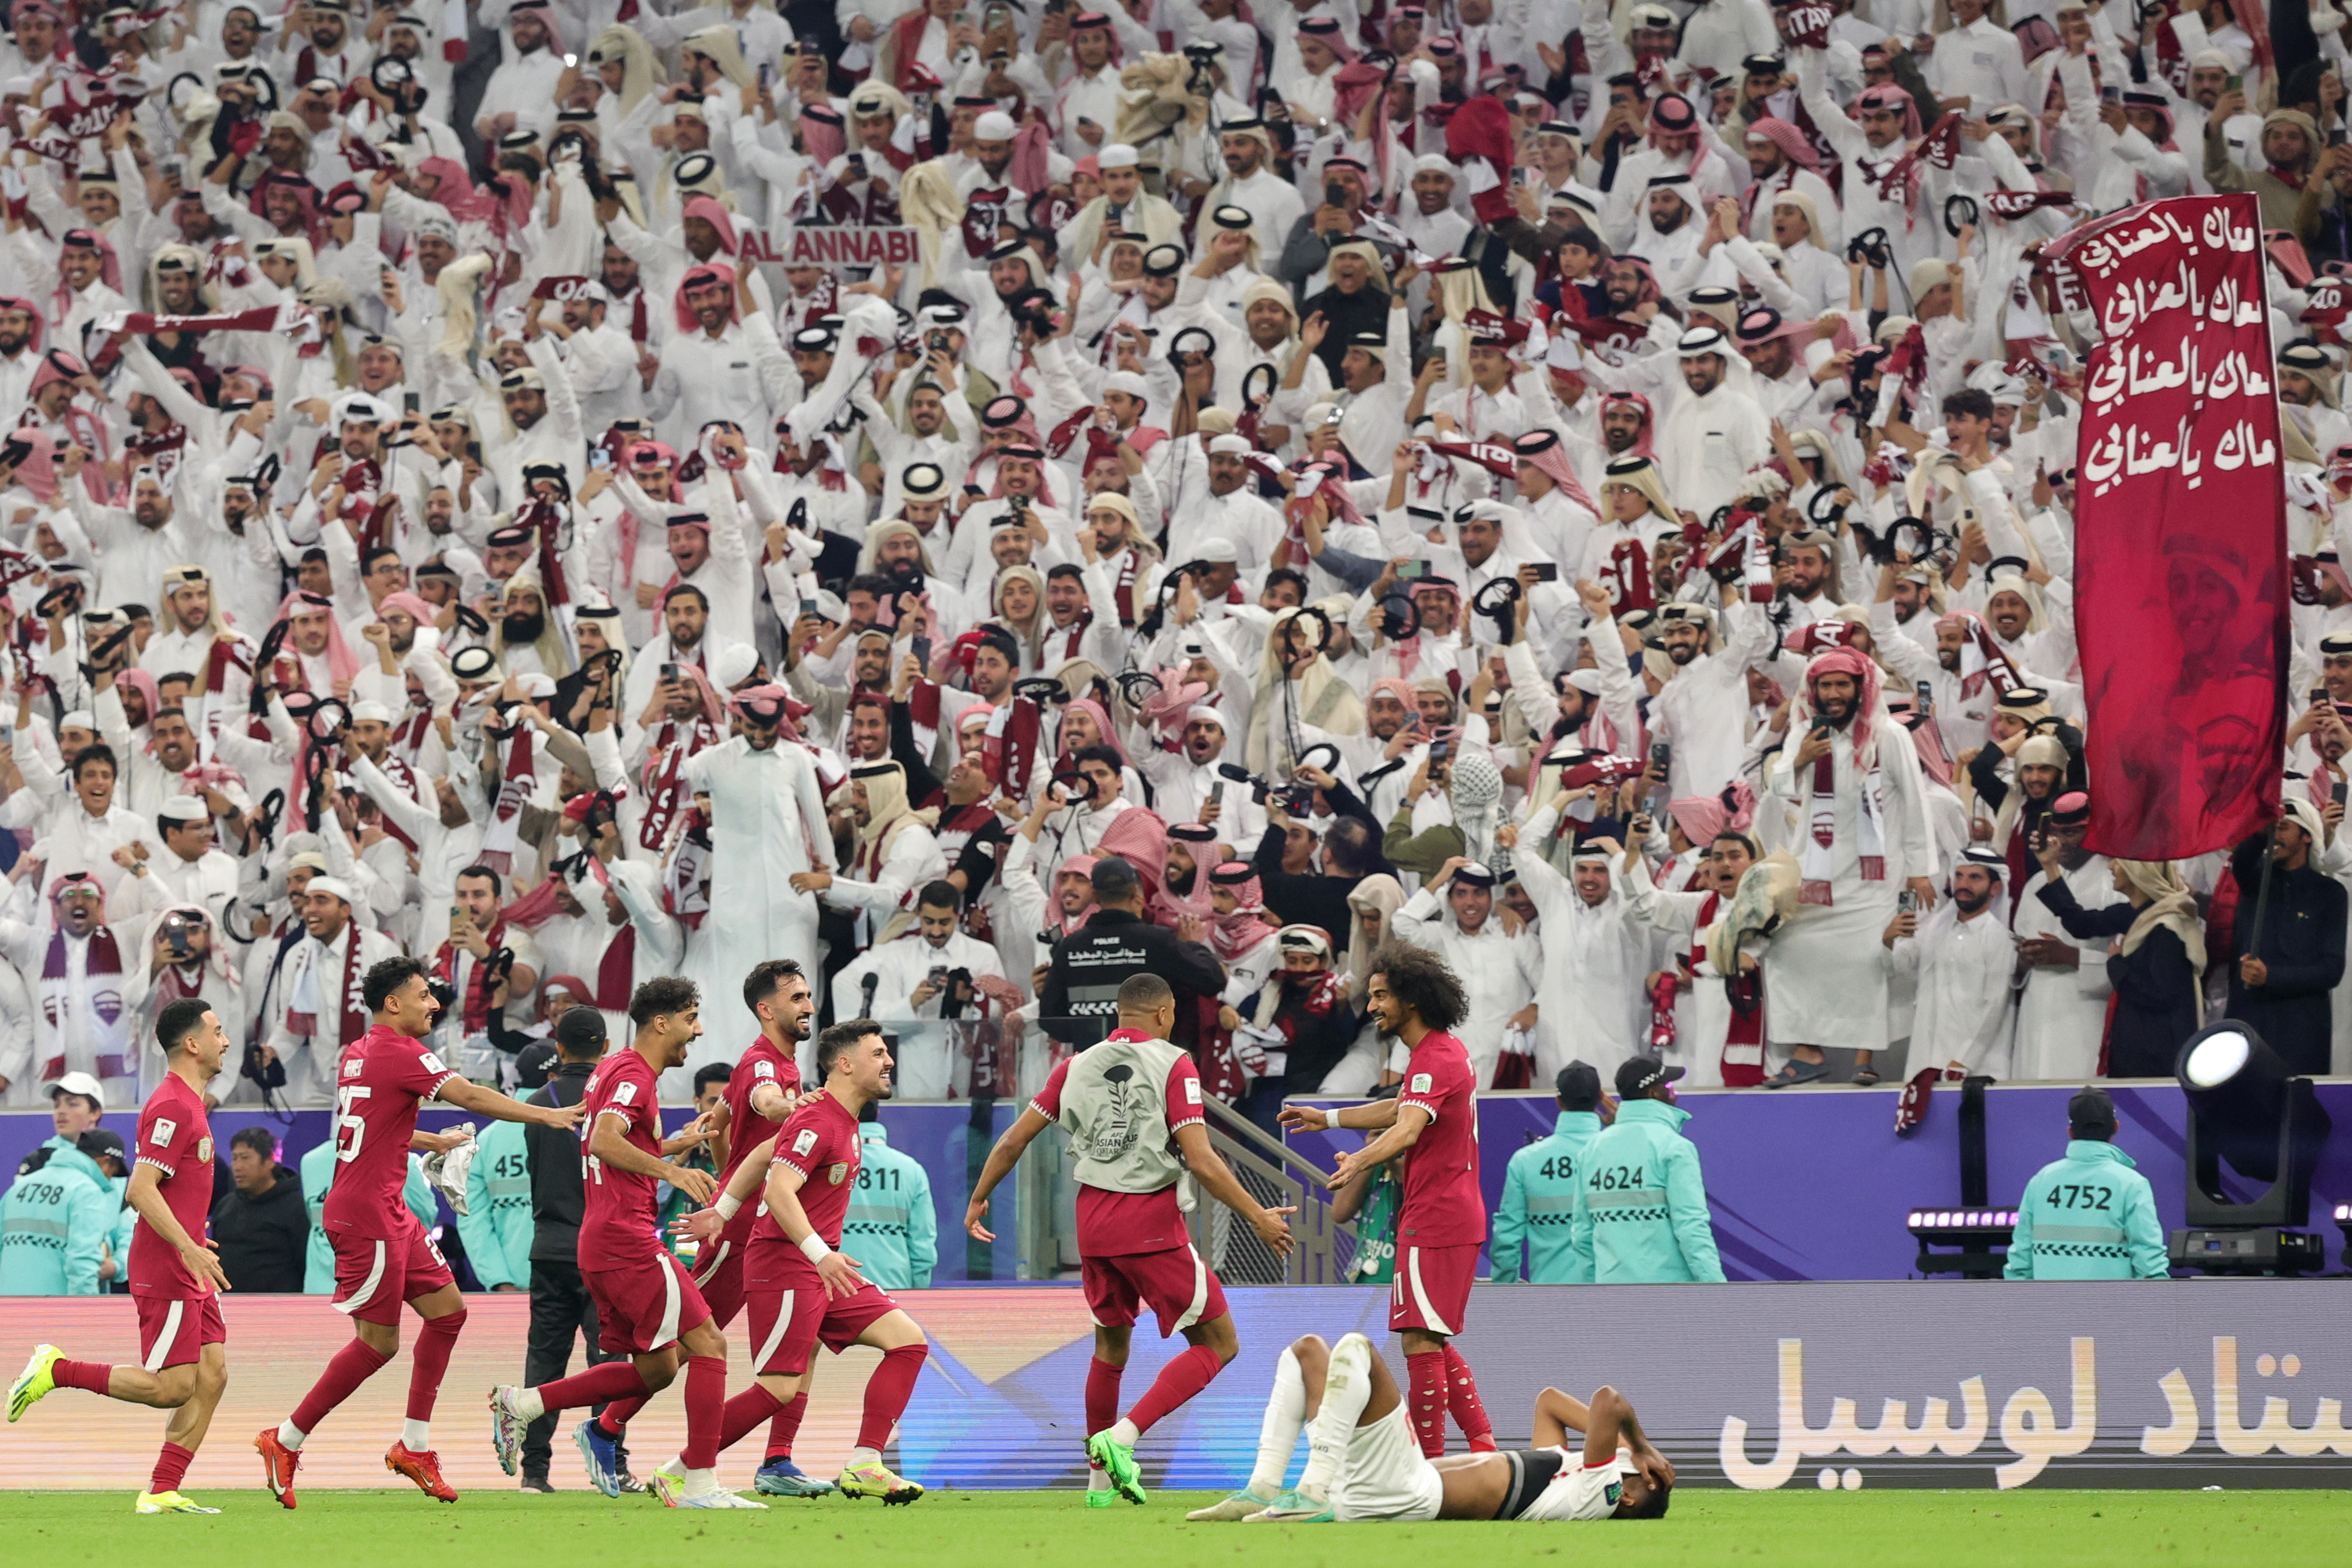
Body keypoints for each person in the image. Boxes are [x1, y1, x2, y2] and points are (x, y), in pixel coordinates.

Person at [257, 958, 584, 1509]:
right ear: (394, 1003)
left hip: (386, 1210)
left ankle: (414, 1444)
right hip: (369, 1216)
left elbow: (376, 1123)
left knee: (449, 1313)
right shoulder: (404, 1051)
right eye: (424, 995)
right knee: (378, 1344)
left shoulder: (361, 1051)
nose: (434, 1003)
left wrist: (431, 1143)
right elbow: (474, 1098)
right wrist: (547, 1117)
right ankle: (285, 1438)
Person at [964, 971, 1296, 1505]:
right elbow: (1202, 1157)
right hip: (1148, 1224)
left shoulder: (1073, 1065)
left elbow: (1013, 1138)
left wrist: (980, 1196)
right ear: (1164, 1014)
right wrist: (1257, 1213)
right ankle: (1123, 1437)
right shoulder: (1174, 1061)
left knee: (1110, 1346)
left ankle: (1098, 1486)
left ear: (1120, 1015)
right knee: (1219, 1342)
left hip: (1092, 1228)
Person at [487, 977, 745, 1508]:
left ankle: (527, 1403)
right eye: (691, 1018)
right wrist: (671, 1174)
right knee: (711, 1346)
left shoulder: (610, 1070)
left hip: (602, 1239)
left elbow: (614, 1138)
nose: (696, 1031)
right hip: (626, 1239)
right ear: (661, 1021)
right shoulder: (632, 1072)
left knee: (659, 1367)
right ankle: (699, 1484)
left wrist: (676, 1144)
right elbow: (605, 1140)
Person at [680, 1020, 932, 1505]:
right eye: (878, 1053)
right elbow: (777, 1188)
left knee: (906, 1341)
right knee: (777, 1386)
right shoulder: (817, 1116)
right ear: (845, 1063)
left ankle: (864, 1462)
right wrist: (821, 1253)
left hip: (819, 1267)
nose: (889, 1061)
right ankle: (682, 1467)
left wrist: (724, 1209)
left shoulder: (839, 1116)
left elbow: (759, 1154)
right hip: (789, 1263)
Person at [8, 999, 236, 1513]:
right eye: (218, 1032)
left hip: (187, 1258)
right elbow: (140, 1188)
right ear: (193, 1043)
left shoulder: (190, 1101)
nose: (226, 1041)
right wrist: (188, 1246)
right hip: (170, 1266)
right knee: (172, 1387)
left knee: (214, 1372)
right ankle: (56, 1368)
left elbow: (171, 1190)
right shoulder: (174, 1105)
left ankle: (161, 1490)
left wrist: (194, 1236)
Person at [1279, 945, 1494, 1460]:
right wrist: (1326, 1117)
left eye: (1381, 995)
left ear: (1412, 999)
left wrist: (1358, 1160)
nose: (1372, 1005)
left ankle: (1428, 1463)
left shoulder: (1434, 1058)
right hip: (1445, 1212)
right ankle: (1480, 1441)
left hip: (1436, 1216)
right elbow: (1398, 1107)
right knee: (1432, 1336)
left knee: (1419, 1342)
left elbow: (1406, 1128)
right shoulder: (1437, 1053)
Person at [1188, 1331, 1673, 1523]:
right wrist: (1631, 1446)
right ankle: (1264, 1487)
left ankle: (1311, 1489)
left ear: (1629, 1494)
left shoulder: (1603, 1489)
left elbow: (1609, 1400)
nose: (1632, 1462)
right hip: (1383, 1483)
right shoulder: (1569, 1476)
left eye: (1638, 1472)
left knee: (1357, 1348)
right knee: (1308, 1351)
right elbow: (1549, 1403)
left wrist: (1641, 1443)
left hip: (1407, 1488)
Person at [698, 957, 827, 1498]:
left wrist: (722, 1159)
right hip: (738, 1234)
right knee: (682, 1343)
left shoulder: (781, 1065)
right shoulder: (764, 1066)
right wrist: (788, 1107)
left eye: (807, 996)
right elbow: (765, 1102)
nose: (808, 1006)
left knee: (807, 1345)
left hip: (770, 1230)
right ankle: (608, 1428)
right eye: (796, 997)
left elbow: (718, 1121)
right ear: (766, 1008)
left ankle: (778, 1459)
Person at [516, 1010, 639, 1494]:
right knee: (610, 1360)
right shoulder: (617, 1104)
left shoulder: (536, 1105)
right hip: (606, 1249)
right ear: (606, 1046)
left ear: (559, 1049)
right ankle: (611, 1465)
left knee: (544, 1360)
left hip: (550, 1246)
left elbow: (538, 1174)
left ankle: (535, 1472)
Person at [1038, 856, 1227, 1049]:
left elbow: (1051, 1020)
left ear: (1095, 897)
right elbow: (1212, 980)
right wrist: (1194, 945)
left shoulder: (1070, 947)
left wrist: (1088, 1032)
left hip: (1092, 1065)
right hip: (1148, 1064)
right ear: (1135, 892)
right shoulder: (1157, 941)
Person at [1566, 1057, 1725, 1284]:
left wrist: (1592, 1295)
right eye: (1669, 1087)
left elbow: (1582, 1235)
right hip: (1670, 1298)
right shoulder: (1675, 1148)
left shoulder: (1591, 1150)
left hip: (1610, 1295)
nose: (1675, 1093)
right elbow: (1692, 1229)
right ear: (1653, 1094)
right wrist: (1719, 1292)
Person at [2225, 803, 2347, 1076]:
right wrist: (2262, 827)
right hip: (2250, 1021)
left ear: (2307, 836)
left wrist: (2272, 977)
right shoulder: (2255, 881)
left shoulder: (2331, 893)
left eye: (2282, 828)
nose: (2274, 835)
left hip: (2302, 1031)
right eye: (2271, 829)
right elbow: (2243, 859)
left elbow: (2331, 971)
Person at [2004, 1089, 2169, 1281]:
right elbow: (2149, 1259)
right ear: (2116, 1127)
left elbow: (2020, 1260)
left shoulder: (2041, 1181)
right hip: (2113, 1309)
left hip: (2047, 1308)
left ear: (2071, 1132)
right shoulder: (2132, 1184)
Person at [1491, 1064, 1609, 1285]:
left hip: (1550, 1296)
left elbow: (1507, 1240)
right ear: (1601, 1098)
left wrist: (1504, 1294)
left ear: (1558, 1101)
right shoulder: (1621, 1155)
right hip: (1618, 1296)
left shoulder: (1525, 1161)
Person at [0, 1112, 119, 1296]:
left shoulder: (17, 1189)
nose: (110, 1181)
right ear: (105, 1163)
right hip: (55, 1312)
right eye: (114, 1173)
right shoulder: (87, 1192)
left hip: (9, 1309)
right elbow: (82, 1263)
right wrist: (86, 1315)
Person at [210, 1126, 308, 1293]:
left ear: (271, 1160)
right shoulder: (226, 1206)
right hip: (230, 1307)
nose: (237, 1166)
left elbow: (305, 1264)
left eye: (246, 1158)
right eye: (235, 1159)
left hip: (280, 1310)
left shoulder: (296, 1208)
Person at [850, 1103, 936, 1292]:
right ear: (878, 1113)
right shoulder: (912, 1170)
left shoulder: (826, 1167)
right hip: (896, 1290)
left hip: (835, 1289)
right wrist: (919, 1293)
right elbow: (923, 1246)